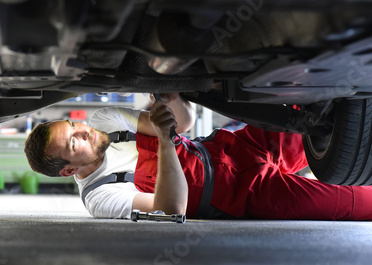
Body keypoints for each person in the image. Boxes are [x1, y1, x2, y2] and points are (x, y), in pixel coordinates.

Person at [24, 93, 372, 220]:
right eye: (73, 142)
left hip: (233, 146)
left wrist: (171, 97)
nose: (83, 130)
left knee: (322, 116)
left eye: (73, 124)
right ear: (69, 168)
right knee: (353, 202)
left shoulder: (102, 121)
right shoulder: (100, 196)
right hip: (241, 194)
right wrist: (162, 138)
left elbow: (183, 122)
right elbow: (170, 207)